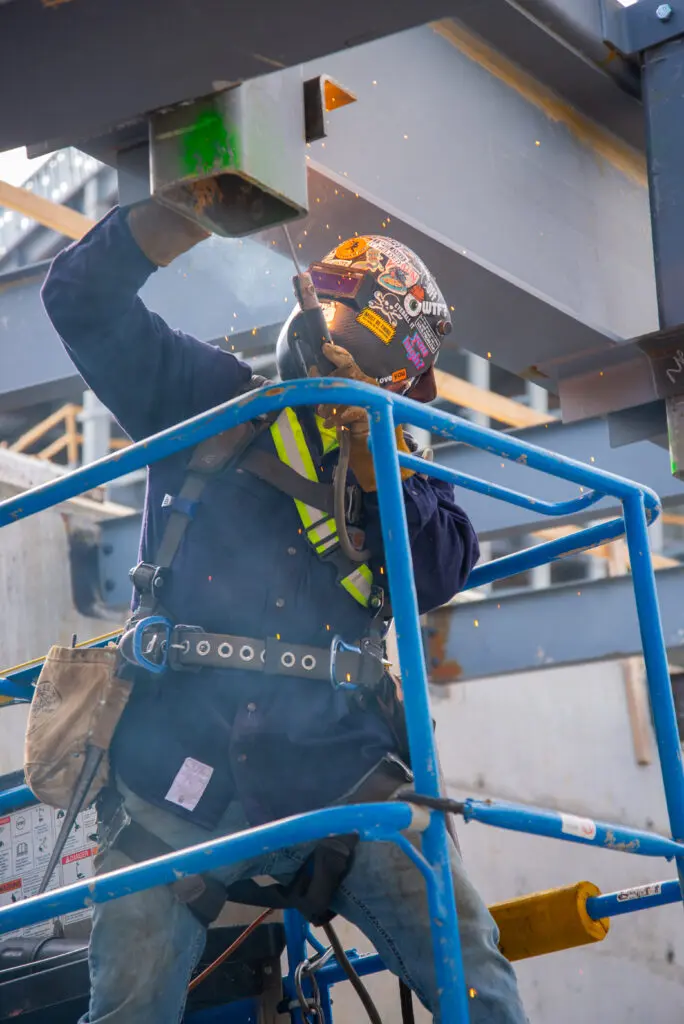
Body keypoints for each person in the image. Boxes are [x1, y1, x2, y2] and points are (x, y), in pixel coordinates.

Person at [41, 198, 528, 1024]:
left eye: (374, 368)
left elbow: (443, 565)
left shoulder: (401, 463)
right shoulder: (208, 400)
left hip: (338, 769)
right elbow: (81, 300)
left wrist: (374, 463)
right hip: (177, 775)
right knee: (128, 1001)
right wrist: (190, 206)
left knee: (474, 973)